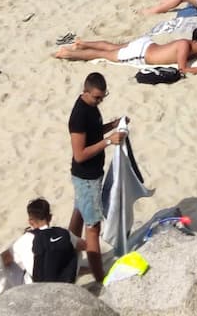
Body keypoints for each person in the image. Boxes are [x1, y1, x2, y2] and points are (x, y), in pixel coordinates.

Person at [65, 73, 126, 284]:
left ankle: (68, 257)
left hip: (91, 175)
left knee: (79, 214)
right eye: (97, 98)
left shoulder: (91, 108)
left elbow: (94, 133)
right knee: (93, 228)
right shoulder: (79, 116)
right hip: (86, 177)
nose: (99, 101)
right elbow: (79, 154)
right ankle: (101, 278)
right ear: (86, 92)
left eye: (103, 97)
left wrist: (113, 125)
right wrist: (109, 142)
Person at [55, 28, 197, 73]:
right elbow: (183, 69)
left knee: (113, 46)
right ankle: (68, 53)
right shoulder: (184, 46)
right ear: (196, 41)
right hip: (142, 54)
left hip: (146, 45)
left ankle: (83, 43)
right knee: (106, 54)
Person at [7, 197, 84, 285]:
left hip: (39, 285)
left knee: (10, 261)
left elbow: (3, 260)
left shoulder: (23, 240)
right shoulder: (63, 233)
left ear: (30, 222)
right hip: (66, 282)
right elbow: (84, 245)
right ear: (50, 217)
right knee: (75, 247)